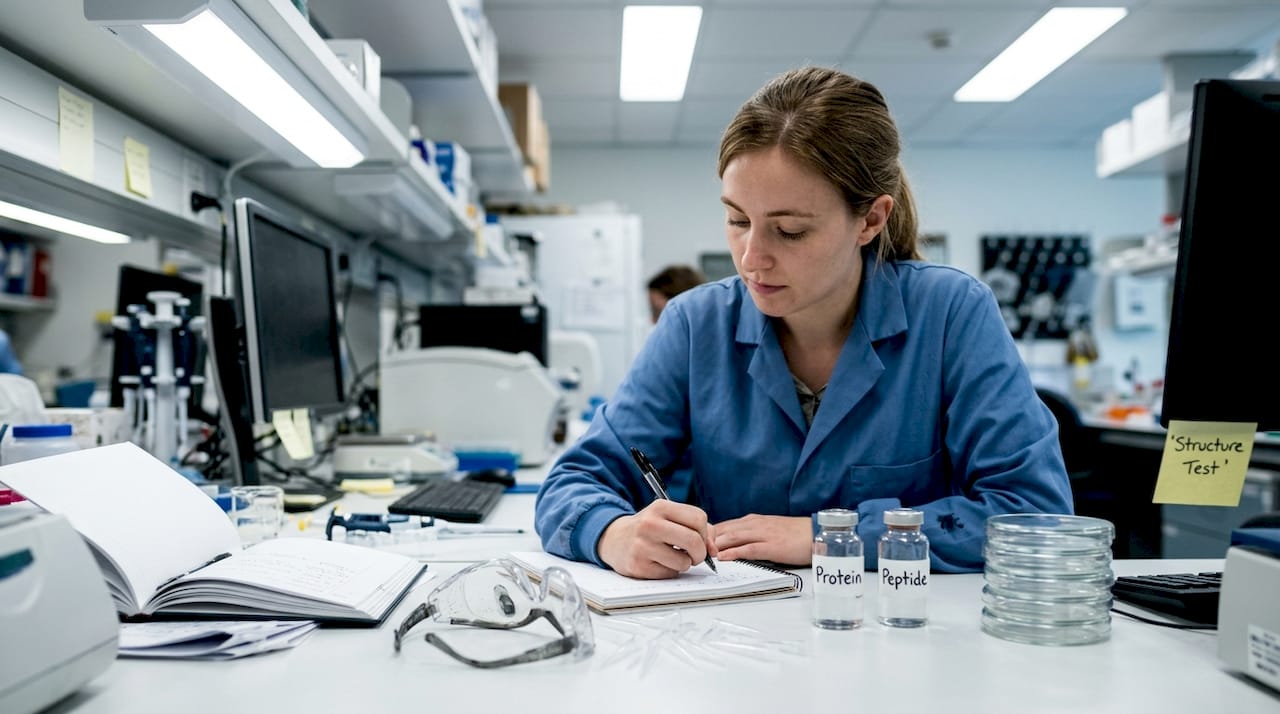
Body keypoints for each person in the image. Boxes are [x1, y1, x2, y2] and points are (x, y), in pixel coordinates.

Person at [535, 66, 1072, 579]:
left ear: (870, 219)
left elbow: (1035, 515)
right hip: (734, 640)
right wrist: (612, 532)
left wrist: (832, 536)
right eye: (737, 220)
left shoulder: (953, 314)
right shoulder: (695, 325)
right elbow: (576, 481)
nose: (751, 258)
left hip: (903, 637)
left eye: (789, 231)